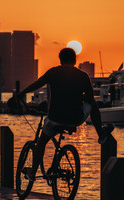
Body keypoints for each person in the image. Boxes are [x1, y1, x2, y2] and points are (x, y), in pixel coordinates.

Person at [15, 48, 105, 181]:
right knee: (92, 103)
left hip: (55, 118)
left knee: (41, 143)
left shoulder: (53, 72)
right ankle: (101, 135)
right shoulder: (83, 75)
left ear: (60, 59)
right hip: (76, 118)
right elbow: (90, 99)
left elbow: (37, 84)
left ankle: (33, 172)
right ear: (75, 60)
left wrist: (21, 93)